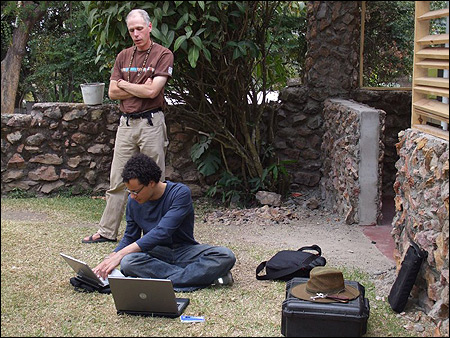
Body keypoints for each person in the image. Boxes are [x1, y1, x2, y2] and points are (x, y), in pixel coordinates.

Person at [82, 9, 173, 243]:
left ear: (150, 27)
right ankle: (107, 232)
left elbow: (153, 91)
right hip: (126, 124)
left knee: (155, 179)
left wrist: (125, 84)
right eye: (132, 30)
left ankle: (156, 234)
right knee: (117, 180)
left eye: (139, 28)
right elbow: (112, 92)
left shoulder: (163, 54)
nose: (136, 34)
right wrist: (138, 86)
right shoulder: (123, 56)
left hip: (152, 122)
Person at [93, 153, 236, 292]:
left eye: (136, 191)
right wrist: (111, 258)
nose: (132, 196)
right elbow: (131, 236)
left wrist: (121, 254)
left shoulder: (180, 193)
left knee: (225, 256)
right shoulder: (133, 202)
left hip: (184, 251)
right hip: (155, 253)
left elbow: (162, 231)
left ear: (151, 183)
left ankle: (164, 280)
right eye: (129, 191)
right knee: (128, 262)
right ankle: (202, 278)